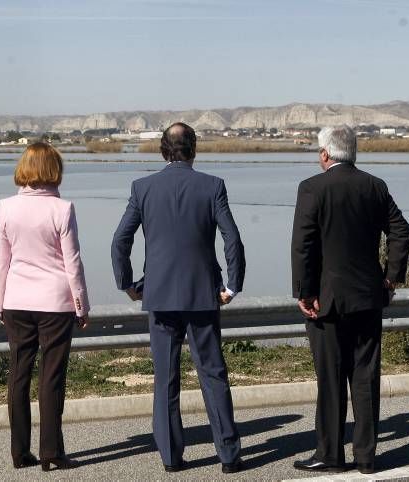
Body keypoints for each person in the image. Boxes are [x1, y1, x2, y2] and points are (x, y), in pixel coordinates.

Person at [111, 122, 246, 474]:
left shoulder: (143, 188)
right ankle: (228, 456)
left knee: (165, 378)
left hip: (159, 295)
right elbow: (232, 239)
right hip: (202, 294)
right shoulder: (212, 186)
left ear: (163, 150)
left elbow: (119, 241)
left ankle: (171, 457)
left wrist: (127, 283)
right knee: (213, 374)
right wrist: (232, 285)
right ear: (194, 149)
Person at [291, 125, 409, 474]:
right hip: (367, 298)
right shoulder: (374, 186)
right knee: (365, 377)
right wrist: (390, 277)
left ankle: (330, 454)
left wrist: (305, 291)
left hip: (325, 302)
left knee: (330, 380)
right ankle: (366, 457)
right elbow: (400, 231)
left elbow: (304, 245)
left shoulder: (312, 188)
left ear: (326, 154)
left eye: (319, 151)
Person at [0, 142, 90, 471]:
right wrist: (81, 304)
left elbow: (1, 260)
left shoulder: (6, 207)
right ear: (54, 170)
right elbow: (72, 262)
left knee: (18, 374)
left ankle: (20, 453)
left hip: (16, 301)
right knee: (51, 377)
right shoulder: (62, 209)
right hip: (55, 302)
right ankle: (51, 452)